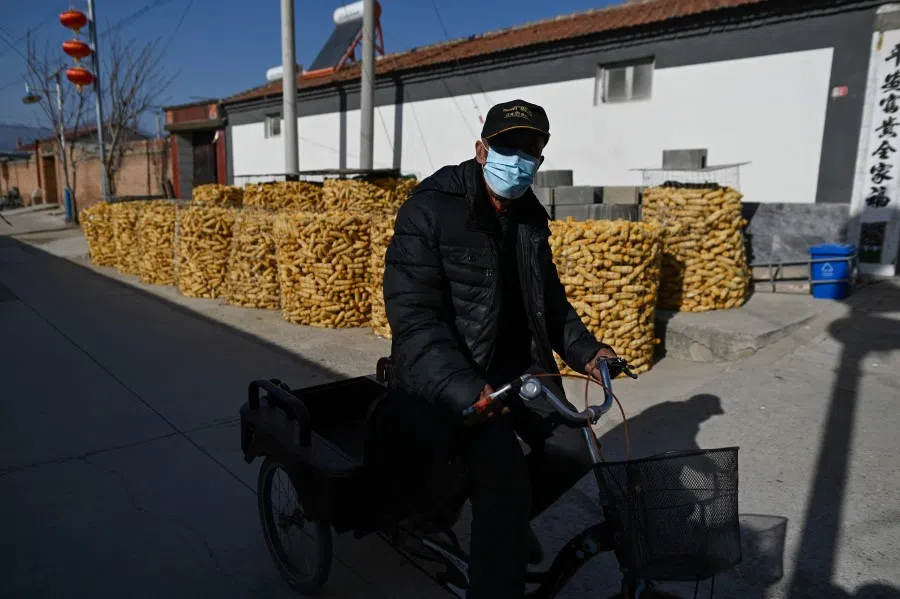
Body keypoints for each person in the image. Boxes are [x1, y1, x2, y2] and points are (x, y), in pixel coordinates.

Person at [381, 99, 617, 598]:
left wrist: (589, 352)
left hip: (518, 369)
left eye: (530, 149)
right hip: (449, 375)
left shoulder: (529, 216)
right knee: (503, 476)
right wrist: (462, 387)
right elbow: (414, 320)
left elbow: (551, 302)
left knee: (571, 451)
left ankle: (501, 524)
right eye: (508, 146)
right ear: (482, 149)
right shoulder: (430, 209)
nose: (519, 158)